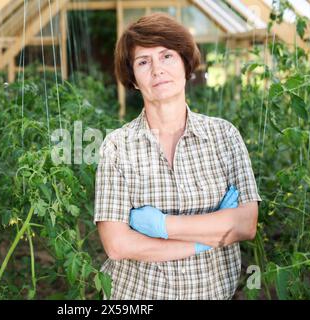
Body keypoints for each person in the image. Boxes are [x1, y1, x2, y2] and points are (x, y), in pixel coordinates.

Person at [93, 13, 262, 300]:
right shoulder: (117, 146)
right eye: (143, 62)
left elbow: (245, 224)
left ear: (186, 64)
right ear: (133, 79)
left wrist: (162, 227)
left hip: (212, 292)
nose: (157, 69)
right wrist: (209, 238)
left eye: (167, 56)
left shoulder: (224, 136)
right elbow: (118, 245)